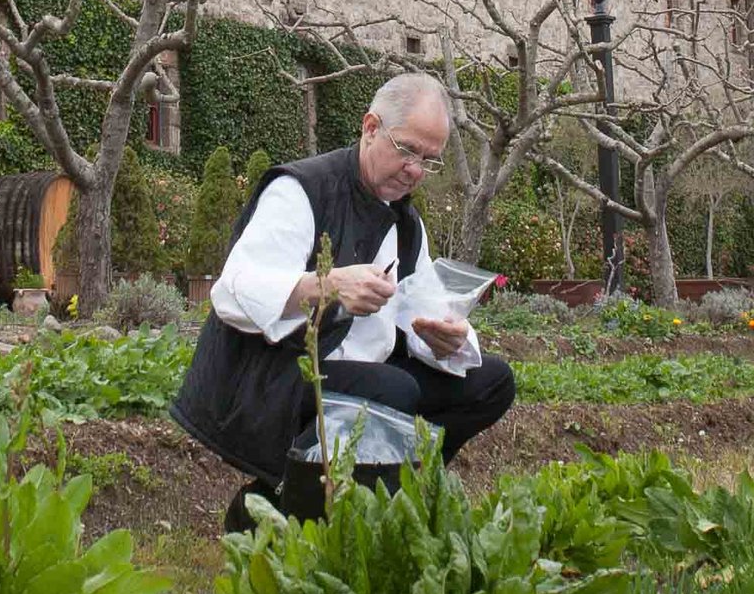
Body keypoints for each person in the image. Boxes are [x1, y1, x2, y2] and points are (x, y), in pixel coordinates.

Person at [170, 71, 515, 531]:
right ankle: (276, 504)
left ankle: (405, 490)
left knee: (491, 381)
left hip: (360, 372)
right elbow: (234, 289)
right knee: (394, 389)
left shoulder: (408, 225)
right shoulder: (302, 189)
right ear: (370, 127)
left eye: (428, 161)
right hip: (274, 373)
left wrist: (449, 337)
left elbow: (426, 307)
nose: (415, 170)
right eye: (407, 149)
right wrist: (326, 285)